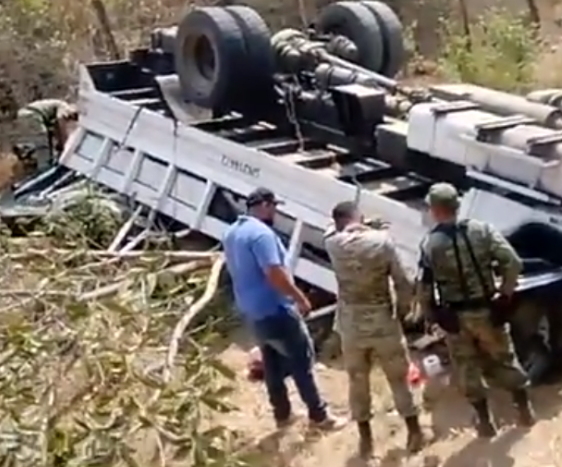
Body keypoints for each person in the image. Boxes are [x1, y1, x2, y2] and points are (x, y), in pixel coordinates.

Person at [416, 183, 533, 438]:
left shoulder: (430, 244)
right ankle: (524, 411)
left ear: (435, 210)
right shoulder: (482, 230)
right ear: (456, 206)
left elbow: (424, 287)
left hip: (456, 318)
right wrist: (505, 294)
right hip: (488, 310)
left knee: (467, 368)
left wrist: (433, 316)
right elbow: (513, 262)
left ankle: (485, 423)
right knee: (505, 359)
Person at [222, 187, 344, 430]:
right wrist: (300, 298)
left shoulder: (232, 232)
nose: (275, 213)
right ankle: (319, 416)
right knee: (302, 361)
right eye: (274, 207)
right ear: (265, 205)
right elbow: (274, 272)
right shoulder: (261, 234)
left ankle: (282, 415)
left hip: (252, 311)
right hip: (275, 308)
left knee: (272, 364)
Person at [323, 201, 424, 458]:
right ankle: (414, 431)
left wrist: (362, 225)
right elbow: (403, 282)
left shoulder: (332, 245)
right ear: (359, 217)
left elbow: (333, 229)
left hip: (351, 325)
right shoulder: (382, 242)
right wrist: (403, 312)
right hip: (382, 321)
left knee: (357, 380)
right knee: (398, 378)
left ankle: (366, 439)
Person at [13, 98, 78, 173]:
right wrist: (64, 144)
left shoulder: (55, 112)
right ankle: (44, 168)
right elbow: (60, 123)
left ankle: (24, 149)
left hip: (24, 114)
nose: (72, 119)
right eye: (74, 116)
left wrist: (59, 142)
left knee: (40, 139)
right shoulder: (64, 107)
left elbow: (55, 130)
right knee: (43, 143)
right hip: (33, 115)